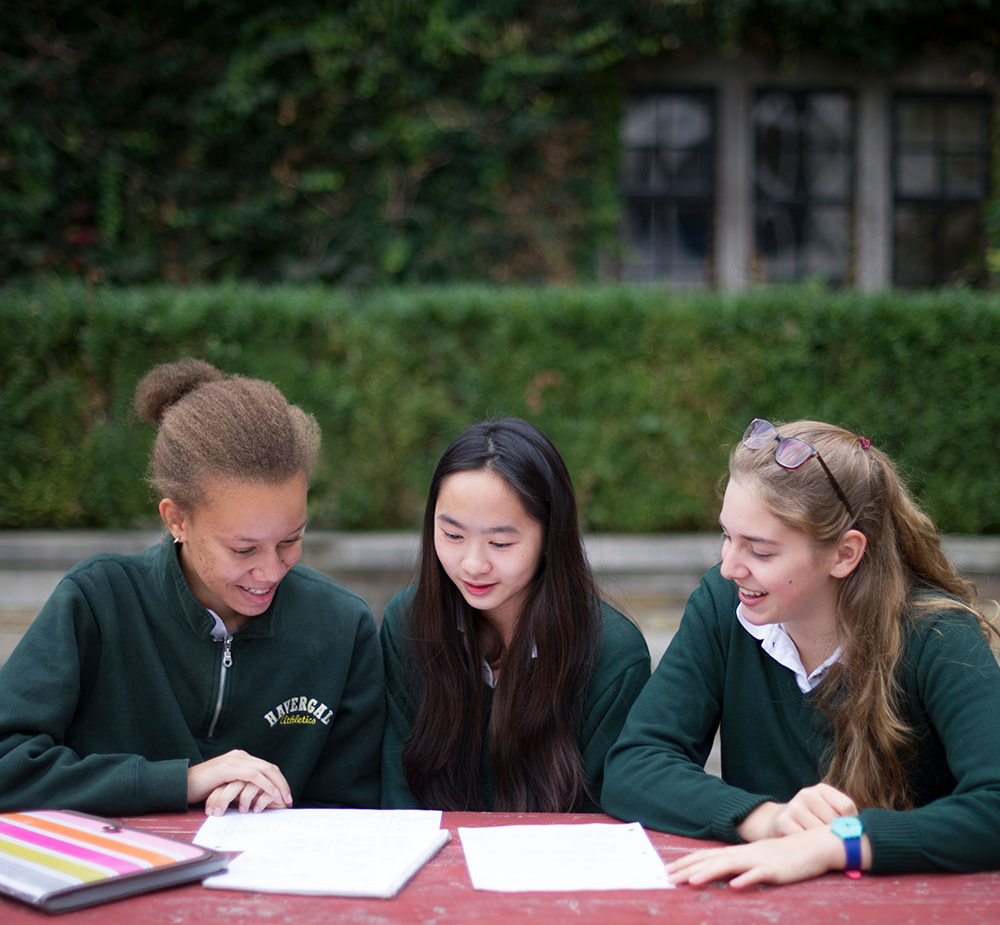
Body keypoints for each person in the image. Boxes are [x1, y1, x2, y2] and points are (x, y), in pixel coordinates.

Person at [602, 418, 1000, 887]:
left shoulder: (938, 634)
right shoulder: (723, 604)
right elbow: (635, 764)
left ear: (844, 555)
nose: (729, 567)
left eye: (761, 551)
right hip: (759, 910)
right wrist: (767, 819)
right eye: (727, 536)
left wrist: (838, 843)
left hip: (917, 922)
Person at [0, 359, 384, 816]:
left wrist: (281, 804)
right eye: (243, 550)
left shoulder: (343, 627)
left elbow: (353, 810)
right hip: (115, 878)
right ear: (176, 519)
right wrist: (180, 782)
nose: (270, 571)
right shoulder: (98, 600)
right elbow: (10, 763)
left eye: (290, 540)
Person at [380, 417, 651, 812]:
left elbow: (609, 817)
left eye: (501, 542)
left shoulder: (612, 655)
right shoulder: (407, 623)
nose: (473, 564)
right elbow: (397, 798)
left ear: (550, 537)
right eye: (452, 535)